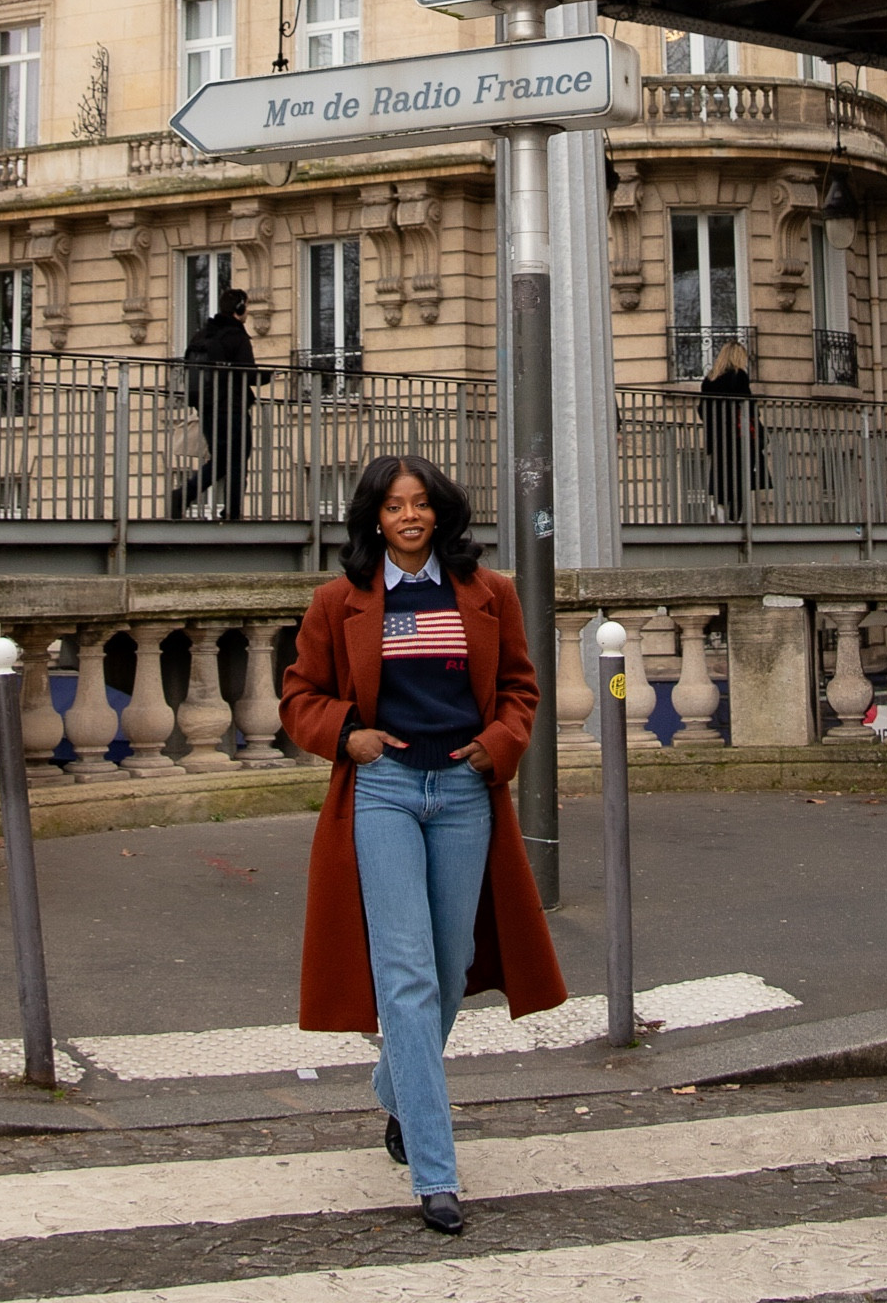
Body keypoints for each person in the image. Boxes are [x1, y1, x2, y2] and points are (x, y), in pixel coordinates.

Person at [280, 455, 566, 1237]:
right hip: (384, 793)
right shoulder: (338, 601)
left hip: (465, 794)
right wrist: (349, 734)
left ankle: (395, 1087)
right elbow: (299, 695)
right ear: (374, 519)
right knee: (404, 974)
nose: (408, 516)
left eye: (420, 504)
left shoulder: (489, 592)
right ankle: (436, 1173)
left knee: (446, 966)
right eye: (393, 506)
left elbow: (520, 688)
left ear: (441, 512)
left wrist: (497, 745)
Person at [172, 287, 266, 521]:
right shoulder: (236, 336)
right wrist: (268, 376)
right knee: (237, 459)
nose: (247, 312)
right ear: (239, 309)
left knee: (223, 460)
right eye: (246, 307)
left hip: (207, 408)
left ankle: (184, 495)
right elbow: (249, 374)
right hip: (232, 408)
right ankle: (231, 512)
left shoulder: (202, 335)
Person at [699, 338, 758, 521]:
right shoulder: (739, 376)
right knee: (741, 480)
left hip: (717, 438)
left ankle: (719, 512)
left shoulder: (709, 379)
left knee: (721, 479)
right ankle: (733, 522)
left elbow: (702, 410)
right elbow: (748, 405)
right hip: (738, 436)